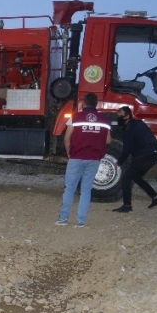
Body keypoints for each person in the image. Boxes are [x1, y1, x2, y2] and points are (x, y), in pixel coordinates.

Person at [55, 93, 111, 227]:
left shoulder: (75, 117)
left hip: (76, 157)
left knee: (69, 189)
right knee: (86, 190)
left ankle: (63, 219)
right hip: (94, 158)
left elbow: (67, 139)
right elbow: (108, 140)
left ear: (84, 103)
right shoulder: (104, 120)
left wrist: (69, 154)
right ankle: (81, 221)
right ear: (96, 104)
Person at [112, 106, 157, 213]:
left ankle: (127, 206)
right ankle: (156, 197)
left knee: (126, 178)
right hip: (152, 155)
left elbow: (127, 149)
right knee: (136, 177)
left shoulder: (130, 128)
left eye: (120, 115)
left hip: (144, 156)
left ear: (127, 116)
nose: (119, 117)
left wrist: (119, 162)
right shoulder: (137, 124)